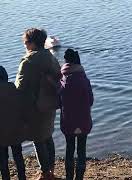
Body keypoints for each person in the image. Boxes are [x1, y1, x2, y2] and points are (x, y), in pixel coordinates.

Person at [15, 28, 61, 179]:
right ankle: (51, 170)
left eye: (26, 42)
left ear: (33, 43)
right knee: (48, 135)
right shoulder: (51, 57)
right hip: (50, 103)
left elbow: (19, 87)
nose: (25, 45)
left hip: (34, 106)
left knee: (37, 138)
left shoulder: (28, 61)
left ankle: (45, 173)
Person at [60, 49, 93, 180]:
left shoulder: (62, 80)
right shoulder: (84, 79)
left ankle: (69, 177)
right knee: (81, 151)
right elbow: (90, 101)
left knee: (69, 150)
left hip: (68, 122)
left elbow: (58, 103)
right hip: (84, 121)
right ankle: (79, 177)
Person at [0, 66, 26, 180]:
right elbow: (21, 108)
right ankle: (22, 177)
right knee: (18, 157)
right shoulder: (14, 89)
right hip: (15, 131)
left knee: (3, 161)